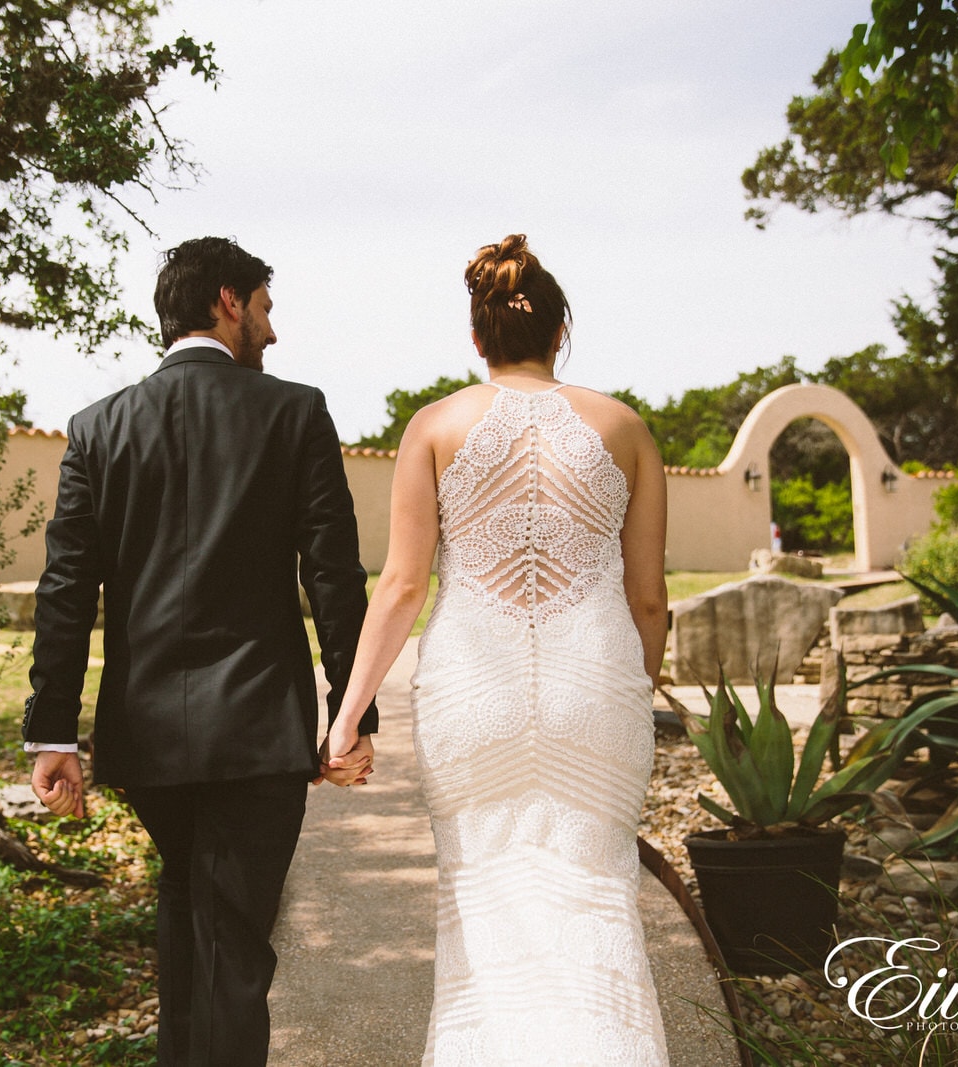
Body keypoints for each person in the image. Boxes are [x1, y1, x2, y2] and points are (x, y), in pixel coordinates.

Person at [22, 235, 379, 1066]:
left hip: (149, 739)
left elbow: (66, 589)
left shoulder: (97, 428)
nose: (272, 331)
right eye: (265, 308)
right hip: (255, 732)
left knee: (190, 924)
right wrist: (349, 715)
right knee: (231, 954)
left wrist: (53, 733)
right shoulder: (295, 413)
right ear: (228, 300)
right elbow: (332, 573)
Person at [323, 234, 672, 1064]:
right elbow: (649, 597)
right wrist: (634, 690)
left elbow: (403, 584)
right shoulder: (625, 428)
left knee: (481, 910)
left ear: (477, 338)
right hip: (598, 688)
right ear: (560, 333)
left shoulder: (435, 425)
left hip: (471, 697)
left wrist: (346, 715)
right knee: (597, 904)